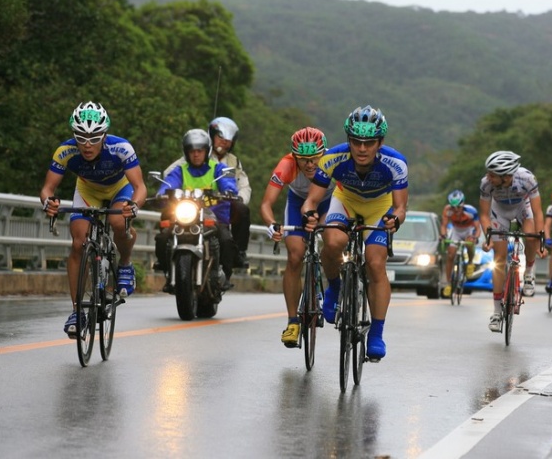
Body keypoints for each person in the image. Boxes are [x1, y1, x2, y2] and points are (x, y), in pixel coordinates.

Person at [302, 105, 408, 361]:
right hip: (345, 201)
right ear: (348, 140)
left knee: (375, 263)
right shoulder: (332, 158)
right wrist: (309, 215)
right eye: (356, 142)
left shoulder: (396, 162)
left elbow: (401, 207)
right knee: (333, 241)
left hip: (379, 207)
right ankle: (335, 288)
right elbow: (311, 201)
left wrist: (394, 219)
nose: (362, 149)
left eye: (369, 143)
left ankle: (376, 334)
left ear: (379, 142)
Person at [40, 101, 146, 338]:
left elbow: (140, 187)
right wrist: (49, 203)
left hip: (120, 189)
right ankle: (77, 311)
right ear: (74, 135)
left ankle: (126, 263)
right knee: (78, 243)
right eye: (81, 137)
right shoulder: (65, 151)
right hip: (87, 191)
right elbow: (47, 189)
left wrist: (134, 206)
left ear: (104, 134)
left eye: (95, 137)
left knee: (119, 223)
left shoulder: (121, 148)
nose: (87, 145)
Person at [260, 127, 334, 347]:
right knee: (295, 256)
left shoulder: (333, 162)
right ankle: (293, 321)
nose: (310, 164)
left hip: (330, 200)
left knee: (331, 239)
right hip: (297, 201)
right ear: (294, 157)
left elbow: (346, 197)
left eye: (314, 159)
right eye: (303, 160)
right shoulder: (287, 165)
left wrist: (324, 222)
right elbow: (266, 204)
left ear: (323, 154)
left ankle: (330, 289)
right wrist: (272, 225)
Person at [154, 129, 239, 292]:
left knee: (226, 239)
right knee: (164, 236)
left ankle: (225, 276)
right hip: (185, 215)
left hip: (213, 215)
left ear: (206, 151)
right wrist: (162, 194)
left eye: (199, 150)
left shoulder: (218, 169)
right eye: (191, 151)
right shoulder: (180, 170)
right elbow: (169, 183)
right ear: (186, 152)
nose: (196, 154)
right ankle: (167, 271)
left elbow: (228, 183)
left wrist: (228, 191)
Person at [163, 116, 252, 269]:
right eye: (220, 137)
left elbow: (244, 185)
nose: (224, 142)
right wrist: (167, 192)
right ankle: (165, 260)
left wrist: (237, 198)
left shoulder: (233, 161)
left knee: (241, 211)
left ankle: (239, 252)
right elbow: (170, 174)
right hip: (190, 206)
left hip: (219, 207)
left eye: (228, 139)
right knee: (165, 223)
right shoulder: (197, 153)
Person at [479, 150, 546, 332]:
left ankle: (529, 273)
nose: (488, 177)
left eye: (492, 175)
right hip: (499, 211)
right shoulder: (486, 184)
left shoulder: (527, 179)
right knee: (499, 259)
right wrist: (488, 237)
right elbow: (484, 215)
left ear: (507, 176)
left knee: (531, 236)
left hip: (522, 208)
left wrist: (541, 240)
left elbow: (538, 212)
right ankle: (496, 312)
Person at [440, 189, 481, 297]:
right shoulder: (447, 210)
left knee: (469, 243)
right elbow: (444, 225)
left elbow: (477, 228)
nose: (456, 209)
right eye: (453, 207)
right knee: (450, 255)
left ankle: (470, 262)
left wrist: (475, 237)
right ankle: (448, 283)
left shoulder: (471, 211)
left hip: (469, 230)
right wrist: (443, 235)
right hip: (456, 230)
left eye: (458, 206)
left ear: (463, 203)